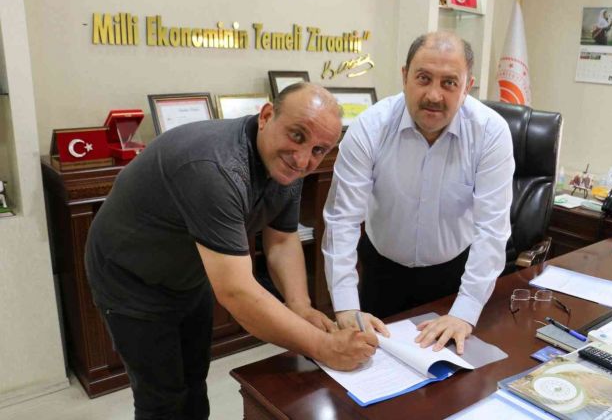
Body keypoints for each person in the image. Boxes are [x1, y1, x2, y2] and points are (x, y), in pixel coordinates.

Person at [85, 82, 377, 420]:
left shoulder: (289, 165)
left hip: (190, 272)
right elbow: (237, 291)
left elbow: (282, 239)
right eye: (297, 136)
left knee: (194, 380)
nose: (302, 159)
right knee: (162, 397)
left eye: (319, 150)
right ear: (266, 116)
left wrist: (300, 305)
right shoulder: (215, 167)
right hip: (130, 278)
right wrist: (323, 346)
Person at [323, 32, 514, 355]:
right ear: (404, 77)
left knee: (449, 373)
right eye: (423, 78)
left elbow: (491, 230)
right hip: (382, 271)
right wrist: (346, 307)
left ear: (468, 86)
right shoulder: (370, 127)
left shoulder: (490, 133)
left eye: (449, 83)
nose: (434, 95)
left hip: (454, 275)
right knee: (375, 364)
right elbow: (342, 221)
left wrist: (465, 312)